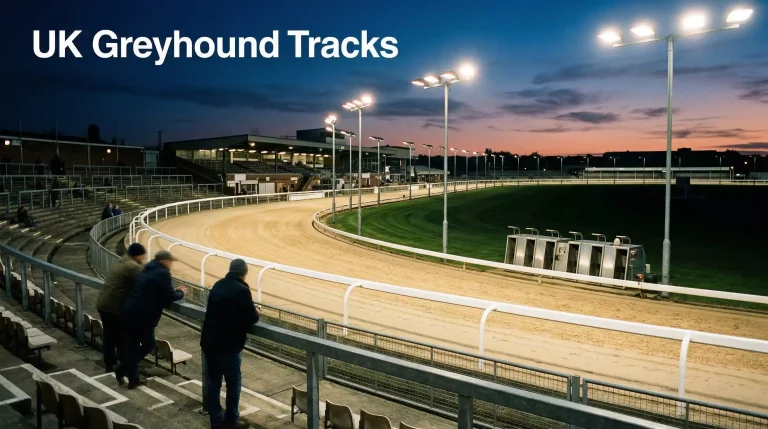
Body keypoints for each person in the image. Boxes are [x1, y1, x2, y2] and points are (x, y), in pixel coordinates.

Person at [201, 260, 259, 429]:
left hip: (209, 342)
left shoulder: (218, 285)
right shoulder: (242, 290)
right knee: (233, 383)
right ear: (244, 273)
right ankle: (231, 419)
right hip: (228, 346)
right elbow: (251, 317)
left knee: (214, 382)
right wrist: (257, 312)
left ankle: (216, 421)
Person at [117, 251, 184, 388]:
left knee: (132, 347)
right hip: (143, 316)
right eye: (170, 261)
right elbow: (171, 296)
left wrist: (170, 291)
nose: (171, 264)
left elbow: (158, 292)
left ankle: (132, 379)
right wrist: (181, 292)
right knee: (149, 344)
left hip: (129, 312)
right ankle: (123, 369)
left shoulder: (147, 269)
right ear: (163, 261)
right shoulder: (162, 273)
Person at [96, 243, 146, 373]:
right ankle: (125, 366)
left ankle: (110, 364)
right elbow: (146, 284)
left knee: (109, 336)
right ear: (138, 256)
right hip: (114, 307)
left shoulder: (121, 262)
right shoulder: (132, 266)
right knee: (122, 338)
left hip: (103, 304)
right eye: (142, 256)